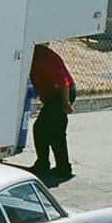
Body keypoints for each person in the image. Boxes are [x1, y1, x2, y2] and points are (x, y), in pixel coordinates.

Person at [28, 43, 74, 182]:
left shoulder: (43, 59)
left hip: (60, 95)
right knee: (56, 132)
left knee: (40, 129)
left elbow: (63, 83)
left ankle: (43, 164)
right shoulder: (37, 54)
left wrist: (65, 104)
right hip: (55, 94)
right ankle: (63, 167)